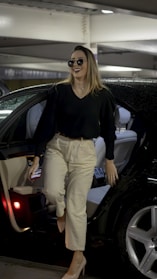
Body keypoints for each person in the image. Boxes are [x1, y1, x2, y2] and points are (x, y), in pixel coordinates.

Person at [28, 45, 118, 279]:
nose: (75, 66)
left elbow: (109, 129)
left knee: (77, 207)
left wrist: (109, 160)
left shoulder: (103, 95)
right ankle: (61, 211)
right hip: (58, 146)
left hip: (85, 152)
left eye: (79, 61)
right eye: (71, 62)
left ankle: (78, 258)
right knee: (52, 191)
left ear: (89, 64)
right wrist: (36, 156)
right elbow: (46, 124)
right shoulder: (59, 91)